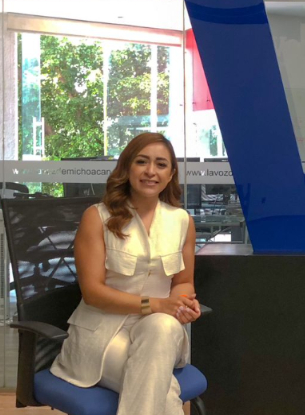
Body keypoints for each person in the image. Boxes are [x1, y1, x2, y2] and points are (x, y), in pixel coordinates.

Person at [51, 133, 201, 415]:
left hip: (159, 332)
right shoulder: (97, 217)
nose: (150, 171)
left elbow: (183, 282)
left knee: (163, 326)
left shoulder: (182, 221)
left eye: (161, 164)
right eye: (141, 162)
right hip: (101, 336)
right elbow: (93, 293)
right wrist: (158, 304)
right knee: (162, 389)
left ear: (171, 174)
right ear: (127, 168)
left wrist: (182, 304)